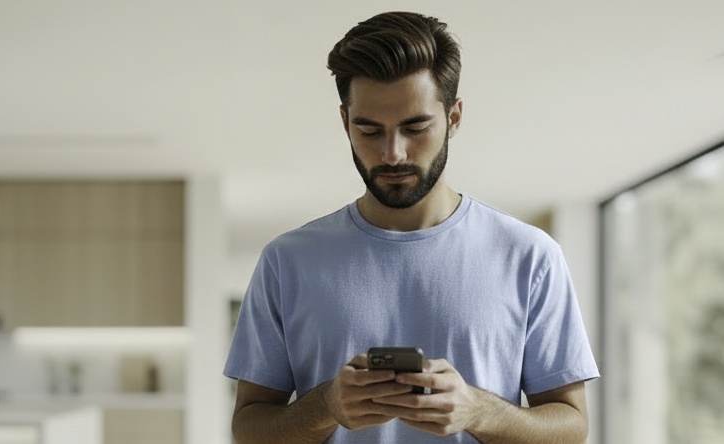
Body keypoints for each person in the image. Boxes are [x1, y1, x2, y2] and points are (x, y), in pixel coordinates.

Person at [223, 11, 599, 444]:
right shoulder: (286, 261)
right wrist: (326, 406)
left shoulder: (530, 255)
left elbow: (572, 427)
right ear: (345, 122)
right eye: (369, 130)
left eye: (415, 127)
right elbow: (248, 430)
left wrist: (477, 411)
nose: (393, 153)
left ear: (454, 118)